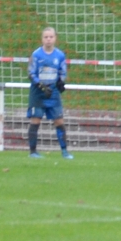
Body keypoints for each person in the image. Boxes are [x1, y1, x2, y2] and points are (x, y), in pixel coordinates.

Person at [27, 27, 72, 159]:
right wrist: (41, 86)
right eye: (46, 37)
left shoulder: (60, 55)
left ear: (55, 38)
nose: (48, 39)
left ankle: (64, 151)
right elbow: (31, 73)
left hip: (53, 92)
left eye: (51, 37)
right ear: (42, 39)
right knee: (35, 120)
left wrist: (60, 82)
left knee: (59, 121)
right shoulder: (36, 55)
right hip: (38, 93)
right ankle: (33, 152)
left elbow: (62, 72)